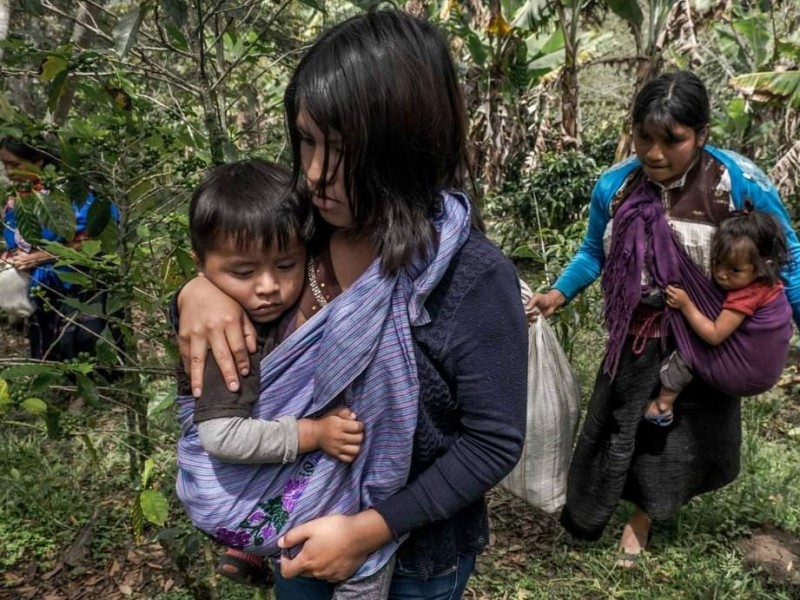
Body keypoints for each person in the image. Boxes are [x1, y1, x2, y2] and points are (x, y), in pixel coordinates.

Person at [173, 9, 528, 599]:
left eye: (339, 149)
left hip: (414, 556)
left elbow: (493, 441)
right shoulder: (297, 234)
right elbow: (231, 304)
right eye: (306, 141)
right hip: (295, 531)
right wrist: (196, 293)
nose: (313, 173)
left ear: (405, 145)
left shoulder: (469, 278)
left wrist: (366, 532)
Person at [526, 70, 800, 565]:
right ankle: (593, 511)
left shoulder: (736, 183)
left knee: (675, 440)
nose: (654, 154)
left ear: (702, 135)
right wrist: (558, 294)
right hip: (636, 334)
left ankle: (642, 519)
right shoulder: (616, 185)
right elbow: (593, 253)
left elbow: (788, 256)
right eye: (643, 137)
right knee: (618, 425)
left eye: (671, 141)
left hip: (705, 338)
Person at [179, 159, 398, 595]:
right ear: (201, 265)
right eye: (243, 272)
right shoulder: (228, 336)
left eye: (286, 266)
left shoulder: (284, 309)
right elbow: (222, 437)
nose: (267, 286)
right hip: (250, 483)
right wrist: (313, 434)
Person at [646, 207, 792, 426]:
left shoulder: (746, 296)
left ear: (763, 267)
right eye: (716, 263)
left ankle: (663, 405)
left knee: (687, 350)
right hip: (767, 374)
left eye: (734, 270)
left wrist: (686, 304)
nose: (721, 274)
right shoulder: (772, 284)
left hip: (743, 375)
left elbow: (714, 335)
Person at [0, 136, 119, 361]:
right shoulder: (16, 200)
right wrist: (13, 257)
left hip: (79, 282)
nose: (10, 171)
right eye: (5, 165)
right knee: (51, 352)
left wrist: (40, 257)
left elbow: (94, 240)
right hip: (44, 288)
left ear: (39, 160)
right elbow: (19, 240)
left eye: (15, 164)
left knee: (85, 345)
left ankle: (94, 393)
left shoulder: (68, 193)